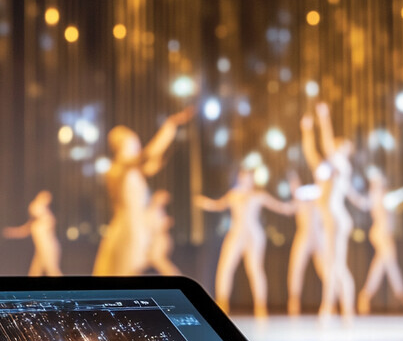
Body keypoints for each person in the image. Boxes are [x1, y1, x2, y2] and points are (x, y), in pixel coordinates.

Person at [93, 107, 194, 276]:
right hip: (130, 226)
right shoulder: (120, 167)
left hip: (138, 223)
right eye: (134, 142)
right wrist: (170, 125)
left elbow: (152, 160)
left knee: (134, 268)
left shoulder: (131, 169)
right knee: (126, 268)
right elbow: (150, 154)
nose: (137, 146)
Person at [194, 167, 293, 317]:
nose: (243, 179)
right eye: (241, 176)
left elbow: (280, 207)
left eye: (246, 177)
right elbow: (217, 204)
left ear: (252, 179)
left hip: (253, 235)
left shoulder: (258, 195)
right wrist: (204, 202)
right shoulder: (234, 195)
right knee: (225, 267)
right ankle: (222, 303)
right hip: (236, 234)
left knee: (254, 269)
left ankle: (261, 307)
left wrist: (294, 205)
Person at [300, 103, 365, 320]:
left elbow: (326, 144)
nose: (335, 146)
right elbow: (312, 153)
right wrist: (307, 130)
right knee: (332, 265)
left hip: (336, 220)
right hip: (332, 220)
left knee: (336, 266)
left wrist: (324, 117)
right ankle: (332, 308)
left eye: (340, 145)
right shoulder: (333, 169)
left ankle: (340, 309)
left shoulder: (342, 163)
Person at [357, 168, 403, 314]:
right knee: (389, 266)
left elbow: (400, 196)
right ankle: (400, 296)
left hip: (385, 234)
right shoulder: (376, 195)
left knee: (382, 266)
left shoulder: (383, 195)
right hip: (381, 234)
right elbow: (363, 203)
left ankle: (368, 296)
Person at [282, 170, 326, 316]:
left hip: (319, 236)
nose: (292, 186)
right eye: (290, 183)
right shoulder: (299, 199)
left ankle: (331, 301)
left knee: (325, 270)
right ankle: (294, 301)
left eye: (293, 182)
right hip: (303, 236)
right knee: (296, 269)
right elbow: (288, 208)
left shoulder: (317, 194)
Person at [2, 190, 62, 276]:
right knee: (35, 272)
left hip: (49, 249)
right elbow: (24, 231)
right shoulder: (35, 223)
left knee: (52, 271)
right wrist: (12, 232)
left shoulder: (47, 219)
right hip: (41, 249)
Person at [145, 189, 180, 276]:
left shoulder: (159, 211)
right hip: (155, 241)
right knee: (156, 261)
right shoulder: (153, 210)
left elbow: (158, 226)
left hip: (160, 241)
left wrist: (165, 223)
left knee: (159, 261)